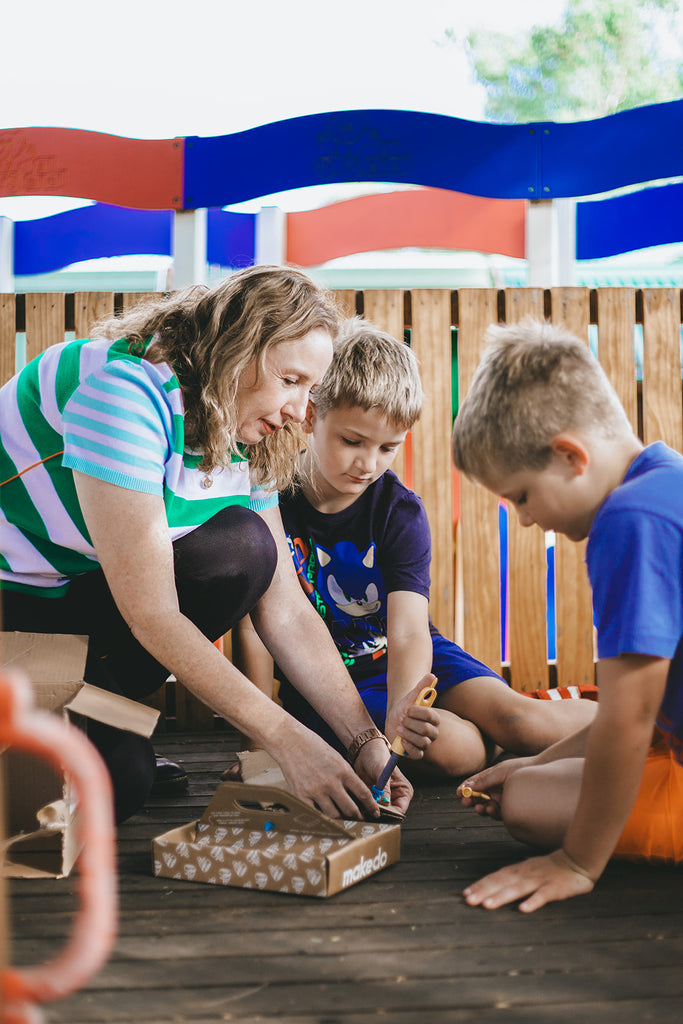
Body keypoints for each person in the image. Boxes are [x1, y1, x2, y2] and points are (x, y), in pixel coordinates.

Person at [0, 266, 428, 824]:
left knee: (244, 549)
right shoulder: (123, 392)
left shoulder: (243, 427)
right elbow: (152, 614)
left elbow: (288, 609)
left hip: (76, 596)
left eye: (311, 389)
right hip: (14, 602)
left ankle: (96, 723)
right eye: (291, 381)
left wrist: (364, 743)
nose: (302, 412)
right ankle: (87, 736)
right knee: (120, 784)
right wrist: (286, 740)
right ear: (237, 350)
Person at [234, 318, 595, 778]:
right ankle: (483, 737)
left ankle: (646, 727)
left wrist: (401, 719)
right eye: (352, 441)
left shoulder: (397, 511)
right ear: (310, 416)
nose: (368, 464)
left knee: (521, 721)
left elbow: (408, 634)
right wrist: (257, 746)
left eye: (388, 448)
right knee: (452, 753)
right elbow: (255, 633)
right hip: (330, 687)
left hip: (415, 660)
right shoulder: (269, 502)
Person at [451, 317, 683, 912]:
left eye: (522, 496)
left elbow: (629, 718)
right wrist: (541, 759)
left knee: (528, 803)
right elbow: (656, 712)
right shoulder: (665, 480)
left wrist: (576, 861)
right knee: (528, 779)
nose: (525, 520)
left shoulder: (631, 521)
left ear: (569, 455)